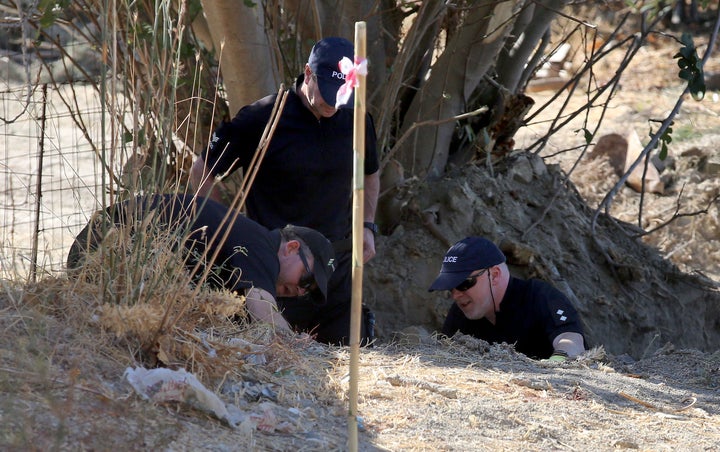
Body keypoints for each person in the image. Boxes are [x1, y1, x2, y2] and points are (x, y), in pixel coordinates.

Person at [189, 37, 380, 345]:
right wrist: (230, 232)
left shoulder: (355, 119)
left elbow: (370, 174)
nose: (332, 105)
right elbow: (202, 171)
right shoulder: (262, 118)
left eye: (340, 97)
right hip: (276, 272)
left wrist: (368, 226)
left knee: (349, 351)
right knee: (281, 355)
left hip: (336, 268)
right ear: (308, 73)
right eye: (326, 95)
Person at [67, 194, 336, 334]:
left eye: (309, 292)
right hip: (101, 252)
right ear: (291, 248)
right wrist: (300, 349)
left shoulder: (248, 247)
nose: (302, 291)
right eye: (306, 279)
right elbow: (266, 320)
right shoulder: (260, 248)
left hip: (104, 262)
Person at [429, 237, 587, 360]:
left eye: (464, 283)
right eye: (451, 286)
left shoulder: (539, 296)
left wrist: (555, 365)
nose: (456, 295)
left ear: (495, 275)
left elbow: (571, 341)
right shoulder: (459, 314)